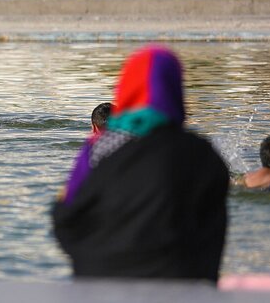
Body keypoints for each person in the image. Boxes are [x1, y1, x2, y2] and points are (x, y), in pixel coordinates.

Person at [52, 45, 229, 283]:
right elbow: (213, 230)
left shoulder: (101, 148)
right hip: (181, 283)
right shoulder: (203, 153)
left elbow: (68, 215)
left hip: (102, 283)